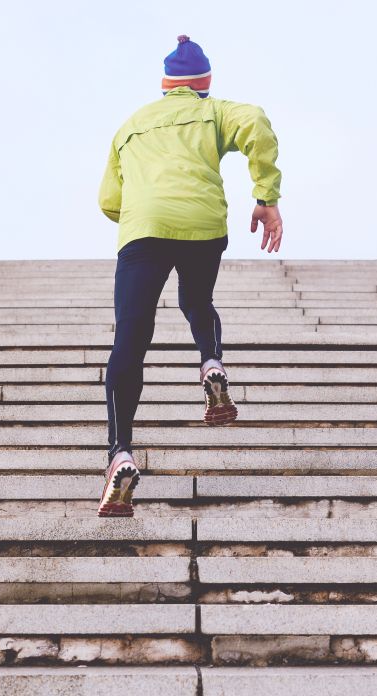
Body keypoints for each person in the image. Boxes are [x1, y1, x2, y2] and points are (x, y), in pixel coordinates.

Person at [97, 35, 283, 517]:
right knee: (197, 302)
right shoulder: (215, 110)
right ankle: (211, 363)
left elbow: (108, 201)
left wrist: (145, 211)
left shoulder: (130, 125)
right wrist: (266, 196)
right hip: (202, 225)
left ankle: (120, 451)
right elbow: (256, 122)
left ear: (164, 85)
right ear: (204, 83)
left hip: (143, 230)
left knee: (131, 337)